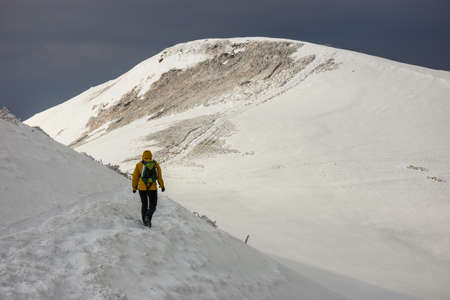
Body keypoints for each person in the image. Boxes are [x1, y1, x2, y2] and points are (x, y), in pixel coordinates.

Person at [132, 150, 165, 227]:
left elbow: (135, 177)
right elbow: (159, 176)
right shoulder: (155, 164)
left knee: (144, 204)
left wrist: (134, 187)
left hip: (142, 188)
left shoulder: (139, 164)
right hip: (152, 188)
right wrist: (162, 186)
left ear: (143, 156)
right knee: (153, 205)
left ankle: (145, 222)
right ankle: (148, 217)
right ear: (151, 156)